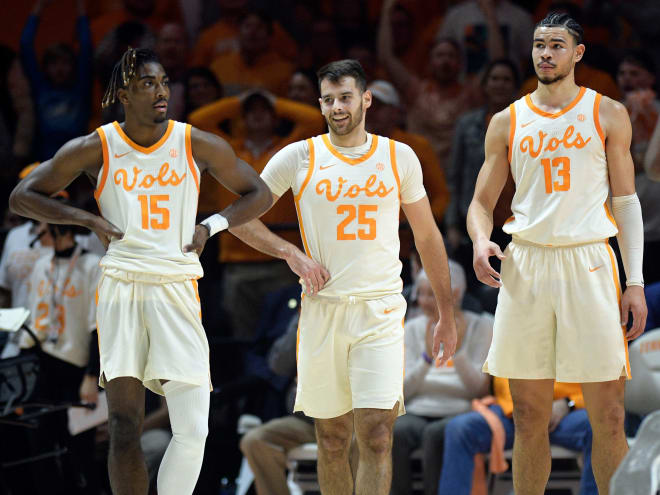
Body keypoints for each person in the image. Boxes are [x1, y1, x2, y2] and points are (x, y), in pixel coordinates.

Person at [8, 47, 272, 495]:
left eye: (165, 82)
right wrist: (87, 219)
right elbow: (22, 196)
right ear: (123, 94)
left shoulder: (196, 142)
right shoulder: (97, 147)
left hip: (176, 285)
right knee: (124, 424)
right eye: (148, 83)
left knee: (193, 428)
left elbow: (259, 193)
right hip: (122, 286)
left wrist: (211, 225)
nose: (161, 91)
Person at [229, 59, 457, 495]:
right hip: (323, 311)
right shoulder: (299, 155)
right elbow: (240, 217)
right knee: (331, 439)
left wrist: (446, 312)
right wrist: (290, 253)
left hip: (380, 309)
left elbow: (428, 238)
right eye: (329, 99)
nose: (337, 107)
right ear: (319, 104)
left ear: (366, 99)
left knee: (376, 434)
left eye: (346, 97)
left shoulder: (398, 156)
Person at [467, 12, 647, 495]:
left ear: (578, 53)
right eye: (539, 45)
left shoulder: (608, 112)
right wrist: (482, 240)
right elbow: (481, 204)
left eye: (556, 45)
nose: (545, 53)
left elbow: (626, 203)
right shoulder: (507, 119)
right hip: (526, 263)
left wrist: (634, 282)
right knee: (527, 414)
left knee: (608, 414)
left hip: (589, 259)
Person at [391, 263, 492, 495]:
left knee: (435, 434)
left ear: (455, 294)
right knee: (395, 431)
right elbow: (402, 390)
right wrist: (427, 359)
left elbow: (478, 389)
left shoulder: (483, 325)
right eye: (420, 293)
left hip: (460, 411)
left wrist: (457, 353)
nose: (422, 301)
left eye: (430, 293)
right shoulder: (412, 328)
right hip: (418, 409)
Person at [19, 213, 101, 494]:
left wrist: (92, 374)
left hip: (76, 369)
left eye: (43, 226)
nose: (38, 232)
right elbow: (34, 320)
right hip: (42, 363)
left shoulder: (92, 266)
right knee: (40, 446)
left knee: (78, 450)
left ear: (60, 228)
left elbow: (97, 326)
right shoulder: (42, 264)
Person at [438, 378, 597, 495]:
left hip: (563, 413)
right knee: (459, 429)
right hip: (513, 411)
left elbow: (604, 387)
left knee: (600, 428)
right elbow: (502, 376)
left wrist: (569, 403)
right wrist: (522, 407)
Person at [377, 0, 476, 172]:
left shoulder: (472, 94)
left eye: (451, 56)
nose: (445, 60)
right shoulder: (416, 91)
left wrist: (489, 17)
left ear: (460, 64)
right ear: (430, 62)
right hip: (419, 174)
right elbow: (386, 56)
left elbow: (500, 62)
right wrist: (386, 10)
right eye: (440, 55)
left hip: (458, 174)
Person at [20, 0, 92, 161]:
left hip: (77, 163)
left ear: (73, 66)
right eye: (54, 63)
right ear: (46, 67)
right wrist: (39, 6)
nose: (60, 68)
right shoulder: (41, 88)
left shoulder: (80, 88)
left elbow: (86, 46)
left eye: (65, 63)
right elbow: (25, 45)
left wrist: (79, 6)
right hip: (44, 162)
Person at [616, 50, 660, 285]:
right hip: (627, 225)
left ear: (651, 78)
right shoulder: (610, 115)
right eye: (622, 73)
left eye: (635, 73)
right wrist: (629, 125)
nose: (627, 79)